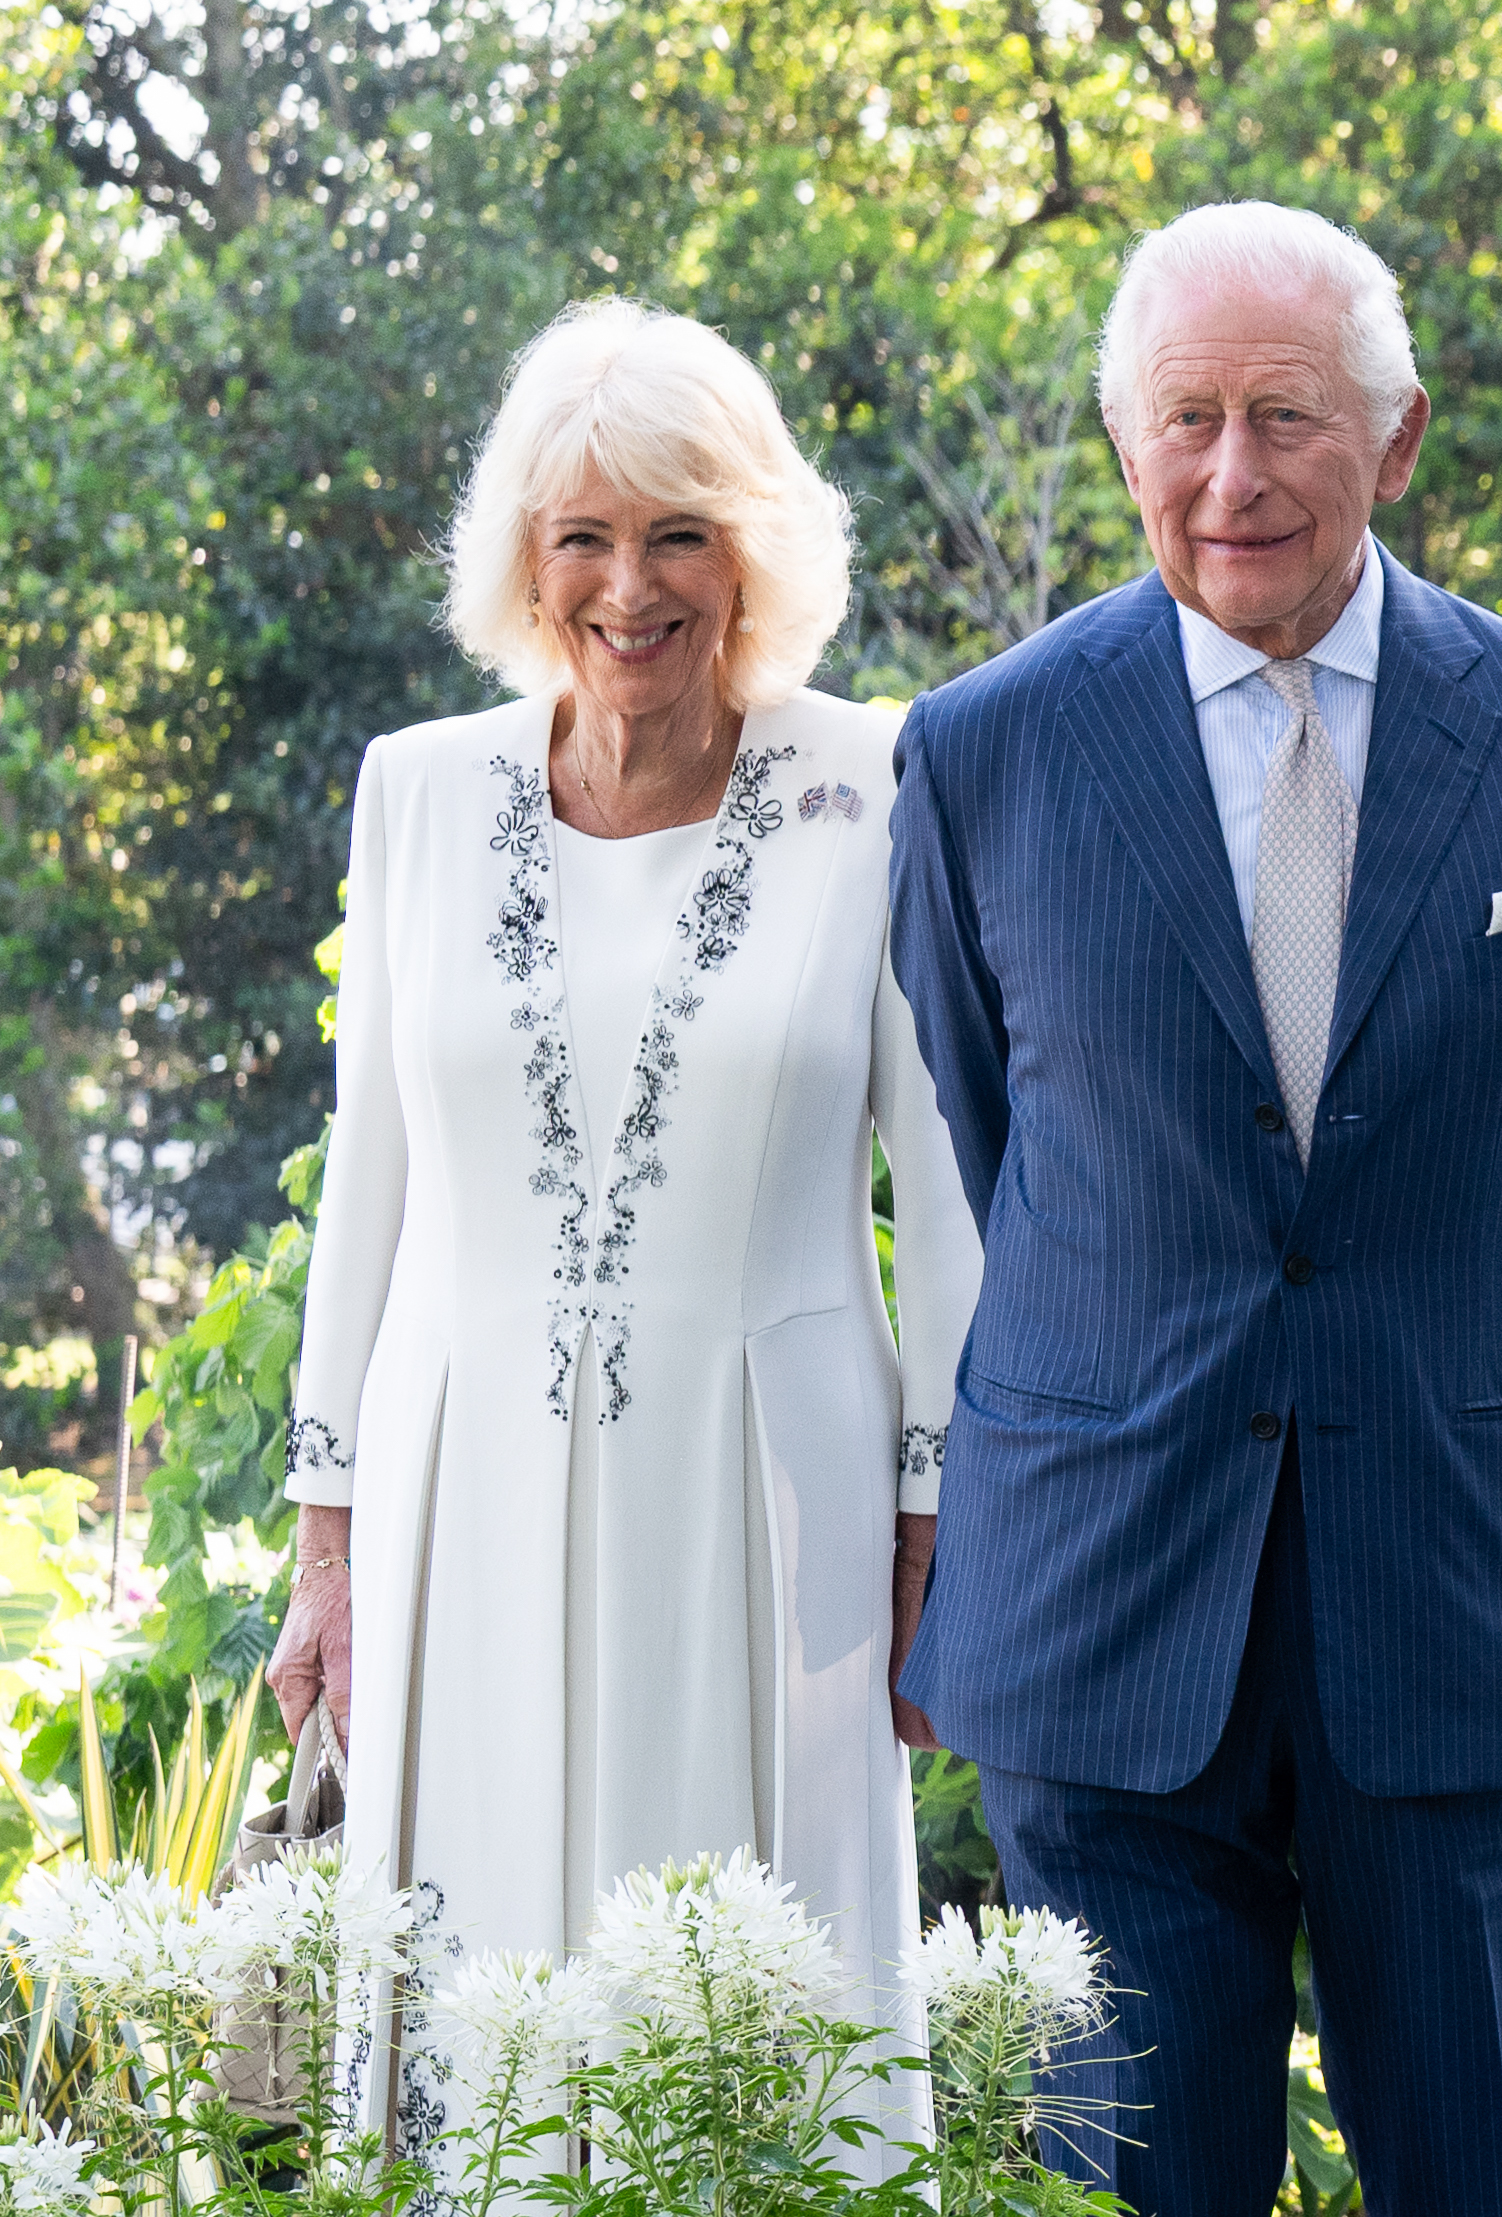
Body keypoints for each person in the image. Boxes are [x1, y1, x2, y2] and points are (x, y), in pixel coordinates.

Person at [886, 203, 1502, 2216]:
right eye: (1183, 421)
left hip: (1455, 1587)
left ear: (1393, 442)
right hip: (1105, 1607)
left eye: (1284, 419)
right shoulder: (979, 751)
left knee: (1480, 2183)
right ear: (1124, 442)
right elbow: (999, 1151)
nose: (1227, 475)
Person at [267, 298, 982, 2173]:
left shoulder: (880, 783)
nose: (630, 583)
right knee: (478, 2025)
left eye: (678, 531)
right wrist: (328, 1536)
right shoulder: (415, 794)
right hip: (454, 1488)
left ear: (751, 548)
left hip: (773, 1512)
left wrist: (934, 1517)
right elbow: (371, 1173)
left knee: (752, 2018)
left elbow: (952, 1179)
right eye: (582, 535)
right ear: (527, 560)